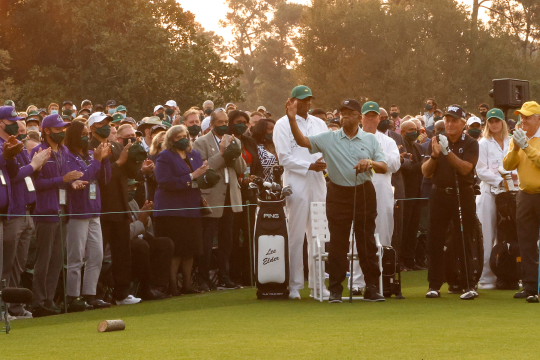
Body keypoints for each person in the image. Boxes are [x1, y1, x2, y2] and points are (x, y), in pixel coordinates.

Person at [285, 98, 388, 303]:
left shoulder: (370, 139)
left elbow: (384, 166)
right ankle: (335, 289)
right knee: (338, 242)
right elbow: (303, 142)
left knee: (366, 240)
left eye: (349, 113)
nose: (344, 116)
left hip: (364, 192)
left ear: (359, 117)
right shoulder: (328, 138)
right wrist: (291, 120)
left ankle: (372, 287)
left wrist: (370, 163)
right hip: (338, 193)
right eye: (342, 113)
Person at [273, 85, 328, 300]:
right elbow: (283, 157)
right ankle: (295, 285)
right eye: (301, 100)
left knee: (319, 234)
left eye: (308, 100)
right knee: (296, 235)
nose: (305, 104)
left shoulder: (320, 123)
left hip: (318, 181)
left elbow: (326, 148)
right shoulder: (282, 124)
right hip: (296, 181)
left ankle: (318, 283)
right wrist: (307, 166)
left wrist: (323, 163)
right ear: (291, 101)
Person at [421, 104, 479, 299]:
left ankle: (468, 284)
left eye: (454, 120)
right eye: (447, 120)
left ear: (463, 123)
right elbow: (426, 172)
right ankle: (434, 285)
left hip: (463, 194)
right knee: (435, 239)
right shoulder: (435, 141)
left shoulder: (471, 143)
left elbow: (465, 169)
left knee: (464, 239)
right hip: (439, 194)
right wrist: (435, 155)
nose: (449, 123)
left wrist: (448, 153)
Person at [88, 112, 142, 305]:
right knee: (97, 254)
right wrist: (120, 161)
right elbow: (100, 178)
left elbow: (130, 173)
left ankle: (122, 293)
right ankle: (95, 293)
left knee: (123, 252)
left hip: (120, 206)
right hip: (101, 208)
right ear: (92, 127)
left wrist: (134, 157)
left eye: (108, 124)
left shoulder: (118, 146)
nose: (105, 127)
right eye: (102, 124)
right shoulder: (89, 147)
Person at [0, 106, 49, 318]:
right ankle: (4, 309)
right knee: (6, 264)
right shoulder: (3, 146)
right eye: (11, 120)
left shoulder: (15, 144)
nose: (15, 124)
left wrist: (33, 163)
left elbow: (20, 174)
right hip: (10, 212)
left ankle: (15, 306)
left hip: (25, 210)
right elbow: (14, 175)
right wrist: (33, 164)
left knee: (17, 264)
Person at [31, 114, 79, 317]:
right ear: (47, 130)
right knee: (44, 259)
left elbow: (67, 178)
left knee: (57, 259)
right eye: (58, 129)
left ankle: (49, 299)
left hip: (63, 210)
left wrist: (73, 182)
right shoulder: (38, 151)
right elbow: (35, 184)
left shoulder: (65, 150)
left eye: (64, 128)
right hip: (45, 211)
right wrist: (62, 179)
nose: (62, 132)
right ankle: (39, 302)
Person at [349, 102, 400, 293]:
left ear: (379, 118)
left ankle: (382, 281)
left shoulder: (388, 141)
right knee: (357, 234)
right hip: (357, 189)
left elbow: (395, 164)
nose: (370, 119)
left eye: (374, 116)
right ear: (361, 118)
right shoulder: (352, 138)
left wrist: (374, 157)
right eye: (367, 116)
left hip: (382, 189)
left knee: (384, 233)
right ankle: (357, 283)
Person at [193, 109, 246, 291]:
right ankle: (203, 278)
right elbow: (205, 168)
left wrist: (234, 153)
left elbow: (241, 168)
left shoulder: (235, 140)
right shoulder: (201, 142)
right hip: (212, 196)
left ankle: (225, 276)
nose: (224, 125)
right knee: (207, 240)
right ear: (212, 123)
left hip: (231, 195)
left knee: (227, 240)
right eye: (220, 122)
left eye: (226, 122)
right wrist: (223, 154)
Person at [64, 120, 112, 311]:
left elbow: (106, 178)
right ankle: (73, 296)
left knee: (97, 254)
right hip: (78, 210)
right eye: (83, 134)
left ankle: (90, 294)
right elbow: (82, 177)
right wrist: (98, 161)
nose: (87, 137)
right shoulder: (68, 156)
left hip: (94, 210)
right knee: (76, 256)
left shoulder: (92, 154)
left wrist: (105, 159)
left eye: (88, 134)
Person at [154, 125, 208, 295]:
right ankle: (172, 286)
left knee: (190, 249)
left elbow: (200, 178)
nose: (183, 139)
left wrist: (205, 181)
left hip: (192, 207)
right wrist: (192, 177)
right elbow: (165, 182)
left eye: (185, 135)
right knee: (176, 250)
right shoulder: (165, 156)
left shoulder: (194, 154)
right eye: (178, 137)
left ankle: (187, 284)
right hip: (172, 210)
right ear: (171, 140)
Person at [502, 101, 540, 301]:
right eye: (521, 116)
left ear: (538, 119)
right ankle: (530, 285)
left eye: (527, 117)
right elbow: (507, 164)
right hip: (525, 195)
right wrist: (516, 148)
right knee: (526, 242)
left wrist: (527, 147)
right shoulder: (517, 136)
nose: (523, 120)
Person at [475, 108, 511, 290]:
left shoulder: (511, 141)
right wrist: (500, 181)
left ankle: (508, 274)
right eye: (491, 121)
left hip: (509, 194)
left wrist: (511, 181)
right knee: (488, 236)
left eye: (497, 121)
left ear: (503, 122)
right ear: (487, 123)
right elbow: (481, 170)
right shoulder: (483, 143)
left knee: (508, 235)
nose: (494, 124)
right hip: (489, 193)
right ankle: (486, 278)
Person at [227, 110, 264, 286]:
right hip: (232, 194)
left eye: (244, 121)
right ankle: (233, 274)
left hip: (249, 193)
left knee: (250, 234)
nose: (241, 124)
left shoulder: (249, 141)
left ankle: (249, 274)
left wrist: (255, 178)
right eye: (237, 121)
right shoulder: (226, 140)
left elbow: (257, 165)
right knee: (233, 237)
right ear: (230, 123)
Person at [127, 179, 172, 300]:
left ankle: (157, 286)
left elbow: (145, 227)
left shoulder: (132, 202)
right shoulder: (113, 204)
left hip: (139, 240)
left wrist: (146, 216)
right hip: (121, 248)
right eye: (129, 188)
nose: (132, 191)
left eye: (133, 188)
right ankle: (144, 288)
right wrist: (141, 221)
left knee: (165, 243)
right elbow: (123, 234)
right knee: (141, 245)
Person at [399, 120, 426, 270]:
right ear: (402, 132)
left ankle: (410, 260)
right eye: (410, 130)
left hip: (417, 193)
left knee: (413, 228)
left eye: (415, 129)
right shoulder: (400, 147)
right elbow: (406, 169)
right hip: (405, 193)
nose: (414, 132)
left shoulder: (418, 146)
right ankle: (401, 260)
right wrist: (423, 164)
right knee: (404, 227)